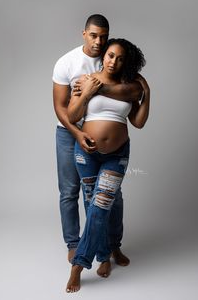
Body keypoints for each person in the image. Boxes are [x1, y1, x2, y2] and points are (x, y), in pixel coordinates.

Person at [52, 15, 143, 267]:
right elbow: (60, 107)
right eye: (93, 35)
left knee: (112, 195)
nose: (99, 41)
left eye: (103, 36)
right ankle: (75, 245)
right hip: (70, 132)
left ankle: (112, 246)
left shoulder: (113, 57)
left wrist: (97, 88)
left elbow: (130, 91)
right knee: (70, 191)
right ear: (84, 34)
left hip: (108, 143)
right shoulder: (67, 62)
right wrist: (78, 133)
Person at [66, 38, 150, 292]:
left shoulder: (130, 86)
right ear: (104, 56)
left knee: (101, 206)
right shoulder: (86, 80)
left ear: (127, 61)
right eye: (111, 55)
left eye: (121, 58)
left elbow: (138, 122)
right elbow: (72, 116)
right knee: (94, 206)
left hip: (117, 154)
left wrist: (148, 95)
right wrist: (89, 92)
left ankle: (78, 266)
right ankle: (104, 255)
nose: (114, 61)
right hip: (87, 155)